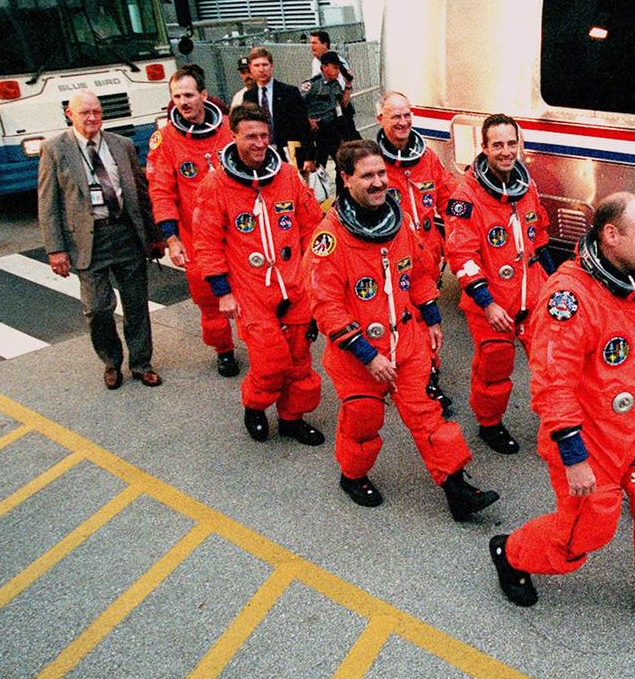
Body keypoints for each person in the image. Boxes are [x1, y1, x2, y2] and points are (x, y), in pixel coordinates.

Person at [489, 192, 635, 636]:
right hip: (591, 442)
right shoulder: (569, 298)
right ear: (611, 235)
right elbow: (553, 385)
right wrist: (573, 457)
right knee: (586, 533)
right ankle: (510, 553)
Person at [308, 140, 500, 520]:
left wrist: (431, 316)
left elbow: (420, 272)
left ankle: (457, 488)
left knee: (428, 414)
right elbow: (325, 305)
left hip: (406, 342)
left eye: (382, 173)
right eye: (368, 176)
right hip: (358, 355)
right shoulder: (329, 239)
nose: (379, 182)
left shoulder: (398, 223)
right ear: (345, 179)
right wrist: (368, 354)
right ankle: (353, 475)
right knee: (363, 419)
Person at [192, 103, 325, 445]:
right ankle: (255, 406)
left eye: (264, 135)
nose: (260, 143)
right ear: (233, 136)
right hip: (250, 288)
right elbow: (206, 240)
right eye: (251, 136)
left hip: (294, 284)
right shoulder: (216, 184)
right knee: (270, 361)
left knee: (299, 361)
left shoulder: (287, 176)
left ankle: (292, 418)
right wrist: (222, 291)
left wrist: (315, 277)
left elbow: (311, 227)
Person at [37, 91, 163, 389]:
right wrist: (56, 250)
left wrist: (155, 235)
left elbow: (140, 193)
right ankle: (111, 362)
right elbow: (48, 203)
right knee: (97, 308)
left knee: (136, 304)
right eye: (85, 113)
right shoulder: (54, 149)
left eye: (96, 112)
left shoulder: (122, 145)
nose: (92, 118)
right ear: (70, 114)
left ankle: (141, 363)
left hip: (125, 232)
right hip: (88, 239)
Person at [444, 114, 553, 454]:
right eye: (498, 145)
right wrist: (487, 303)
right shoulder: (466, 197)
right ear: (484, 148)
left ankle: (559, 425)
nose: (506, 152)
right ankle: (489, 424)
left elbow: (540, 237)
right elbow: (461, 256)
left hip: (531, 292)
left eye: (511, 144)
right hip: (491, 300)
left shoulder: (526, 186)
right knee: (495, 364)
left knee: (552, 363)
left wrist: (553, 284)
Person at [147, 66, 239, 376]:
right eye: (177, 97)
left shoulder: (229, 128)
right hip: (196, 237)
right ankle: (223, 350)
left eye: (188, 95)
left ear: (203, 95)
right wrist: (171, 238)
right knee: (209, 302)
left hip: (240, 231)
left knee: (256, 294)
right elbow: (160, 191)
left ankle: (262, 344)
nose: (183, 102)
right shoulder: (165, 140)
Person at [376, 90, 457, 416]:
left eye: (407, 114)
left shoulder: (427, 158)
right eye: (395, 116)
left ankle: (428, 377)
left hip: (427, 258)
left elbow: (449, 198)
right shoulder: (373, 163)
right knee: (398, 319)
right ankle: (398, 373)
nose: (403, 122)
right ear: (380, 118)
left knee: (427, 319)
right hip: (390, 259)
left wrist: (457, 234)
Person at [240, 46, 313, 171]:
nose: (261, 69)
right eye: (257, 65)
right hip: (262, 155)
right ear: (251, 68)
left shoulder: (289, 92)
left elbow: (303, 126)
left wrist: (309, 157)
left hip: (290, 154)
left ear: (271, 66)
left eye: (265, 65)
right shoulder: (249, 96)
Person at [301, 51, 359, 172]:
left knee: (341, 162)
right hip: (317, 130)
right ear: (324, 67)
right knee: (318, 165)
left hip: (332, 128)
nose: (338, 71)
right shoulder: (312, 84)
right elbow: (297, 105)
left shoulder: (335, 84)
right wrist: (308, 120)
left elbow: (343, 104)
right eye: (335, 68)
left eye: (338, 68)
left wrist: (348, 84)